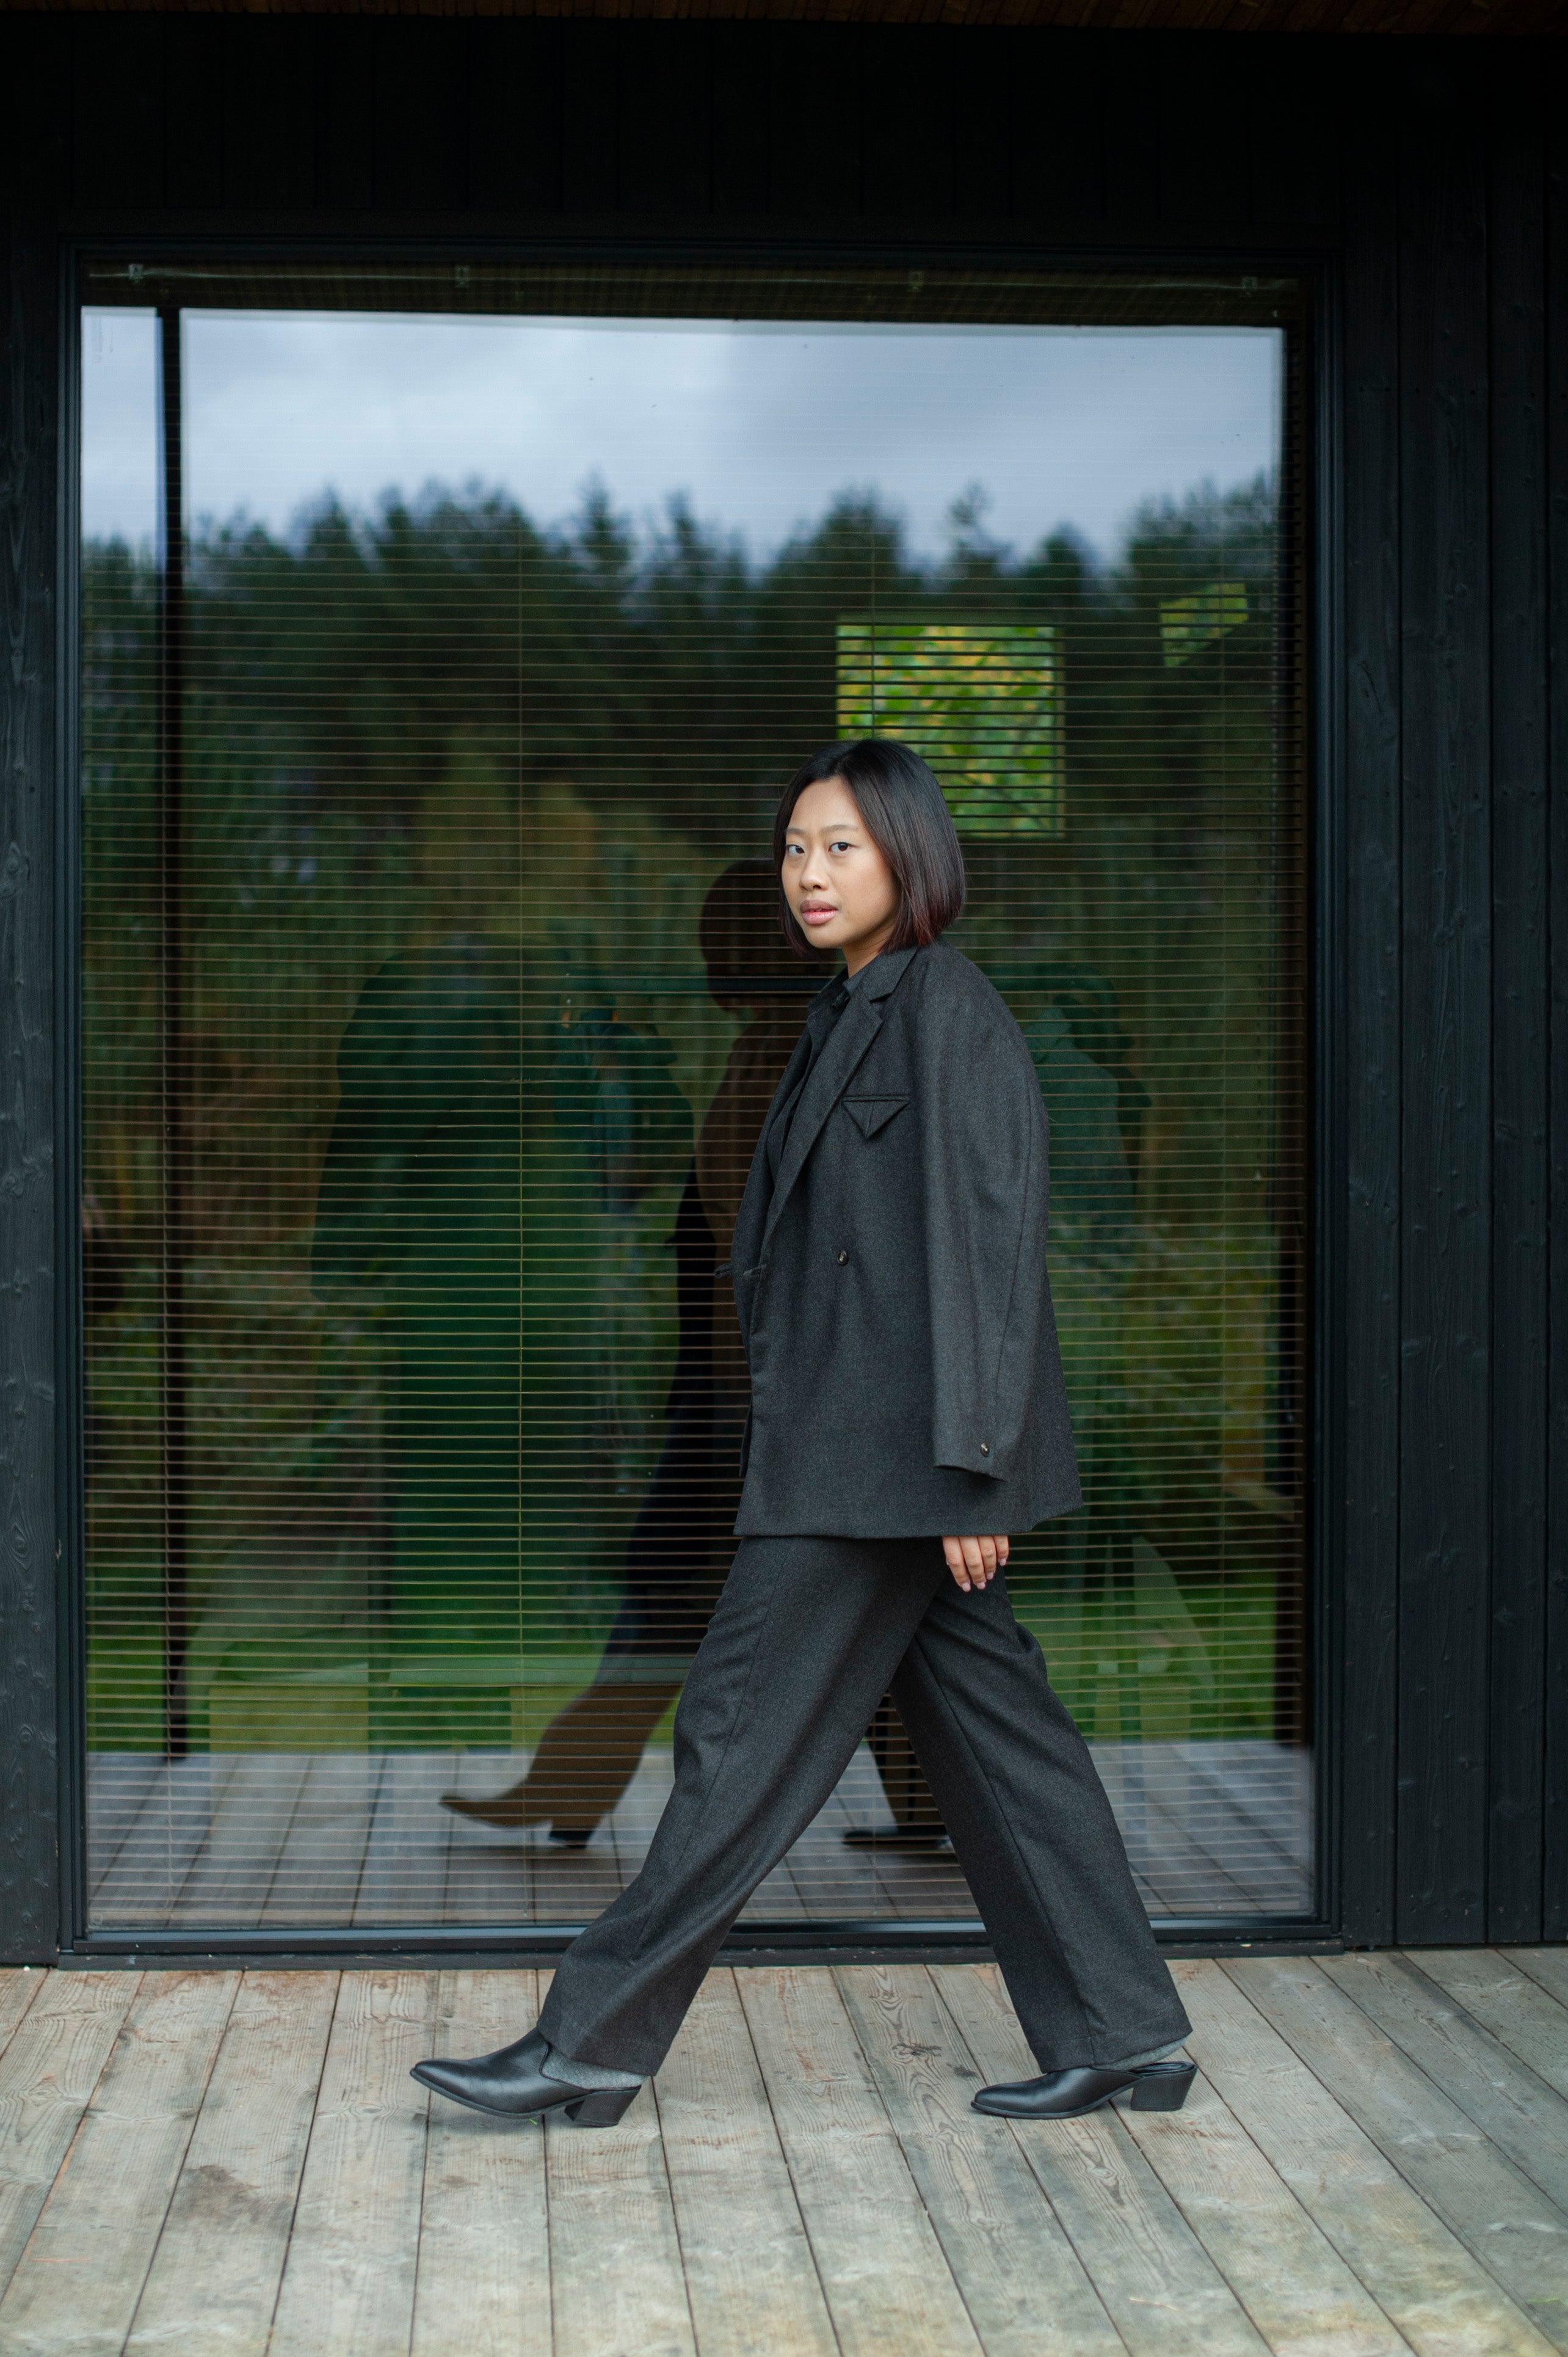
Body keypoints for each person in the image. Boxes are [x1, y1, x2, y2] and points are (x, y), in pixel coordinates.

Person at [413, 738, 1194, 2128]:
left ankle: (586, 2040)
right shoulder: (849, 1011)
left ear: (911, 852)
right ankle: (1127, 2032)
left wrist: (981, 1471)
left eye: (840, 845)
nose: (810, 875)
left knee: (730, 1733)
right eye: (793, 849)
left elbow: (991, 1253)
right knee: (1005, 1745)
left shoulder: (947, 1008)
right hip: (846, 1452)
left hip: (889, 1470)